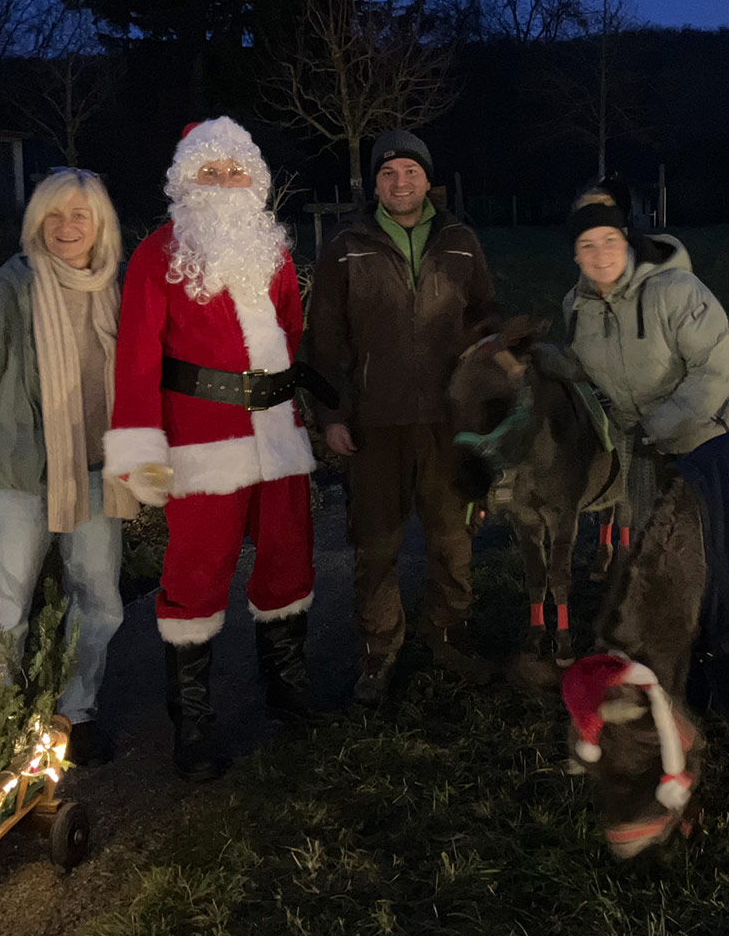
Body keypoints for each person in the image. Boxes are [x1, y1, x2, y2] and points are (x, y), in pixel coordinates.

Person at [104, 116, 317, 781]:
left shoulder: (273, 251)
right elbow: (138, 357)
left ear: (254, 180)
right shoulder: (158, 255)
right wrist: (142, 447)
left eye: (235, 171)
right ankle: (193, 723)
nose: (225, 183)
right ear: (186, 181)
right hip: (201, 438)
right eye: (211, 171)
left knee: (287, 557)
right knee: (197, 571)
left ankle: (286, 688)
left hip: (277, 433)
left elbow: (291, 329)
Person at [0, 168, 137, 768]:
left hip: (99, 470)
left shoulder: (119, 288)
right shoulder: (11, 289)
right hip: (19, 475)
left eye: (79, 215)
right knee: (3, 604)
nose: (65, 227)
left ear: (100, 224)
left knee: (99, 599)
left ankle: (76, 712)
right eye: (53, 214)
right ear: (35, 222)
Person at [302, 128, 497, 705]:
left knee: (453, 537)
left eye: (411, 171)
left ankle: (449, 630)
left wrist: (485, 408)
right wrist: (332, 414)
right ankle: (379, 647)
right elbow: (325, 340)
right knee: (376, 544)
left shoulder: (461, 241)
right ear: (376, 184)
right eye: (388, 173)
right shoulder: (346, 247)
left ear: (427, 179)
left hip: (448, 423)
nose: (400, 182)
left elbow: (486, 325)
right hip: (374, 423)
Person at [562, 196, 729, 533]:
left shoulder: (676, 290)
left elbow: (714, 371)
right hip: (645, 446)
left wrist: (656, 427)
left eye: (609, 240)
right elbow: (579, 368)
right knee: (652, 540)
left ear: (625, 239)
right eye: (587, 245)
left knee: (714, 536)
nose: (601, 254)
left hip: (707, 435)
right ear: (576, 255)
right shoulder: (576, 308)